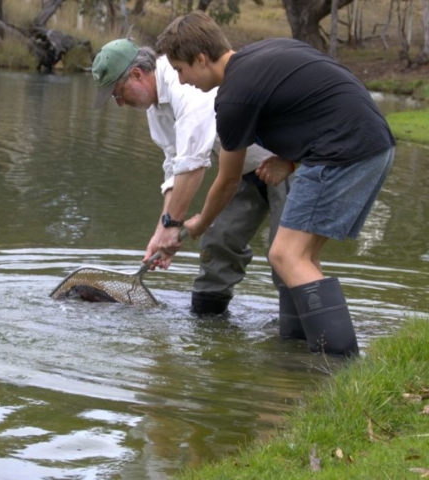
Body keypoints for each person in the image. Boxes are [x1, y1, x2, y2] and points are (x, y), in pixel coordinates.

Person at [155, 11, 396, 356]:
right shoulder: (263, 54)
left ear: (202, 59)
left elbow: (228, 180)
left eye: (180, 69)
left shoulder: (232, 97)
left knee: (284, 255)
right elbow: (320, 102)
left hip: (344, 152)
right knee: (304, 258)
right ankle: (298, 350)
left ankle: (341, 366)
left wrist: (199, 223)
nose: (180, 80)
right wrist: (291, 158)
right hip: (373, 145)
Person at [91, 39, 295, 315]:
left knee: (285, 255)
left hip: (287, 162)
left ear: (137, 75)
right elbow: (173, 165)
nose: (119, 104)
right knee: (218, 242)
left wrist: (173, 223)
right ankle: (208, 326)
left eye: (118, 94)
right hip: (241, 171)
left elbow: (193, 164)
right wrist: (161, 231)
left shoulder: (185, 85)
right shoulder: (156, 108)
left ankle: (307, 342)